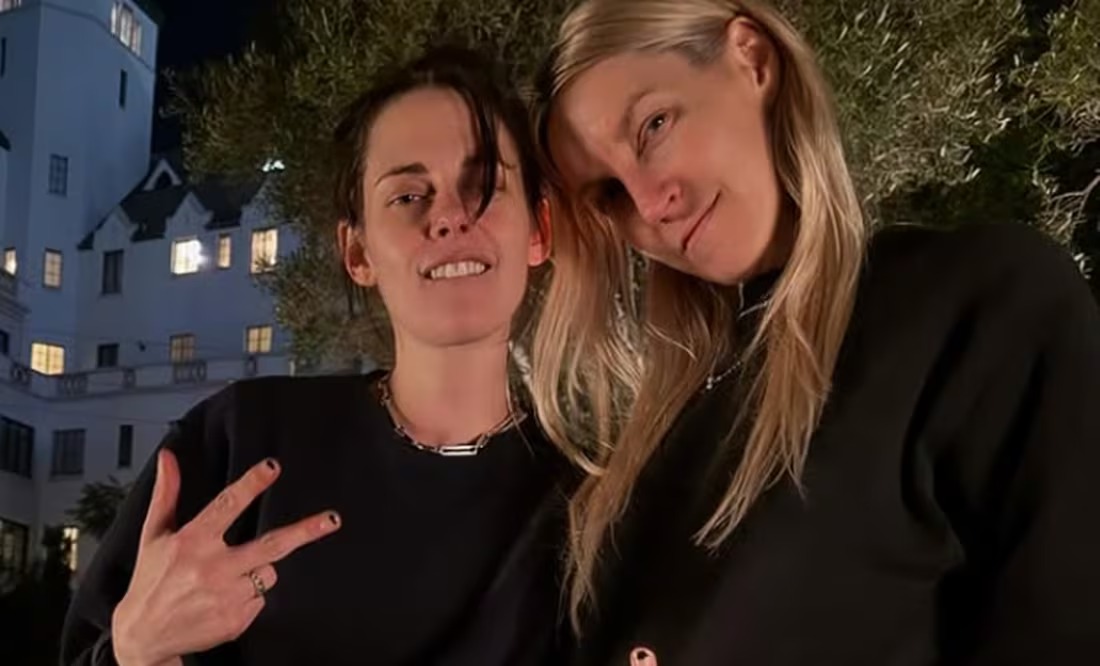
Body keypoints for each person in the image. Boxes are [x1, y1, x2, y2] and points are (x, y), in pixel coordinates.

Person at [528, 0, 1100, 664]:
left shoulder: (977, 305)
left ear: (752, 59)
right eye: (610, 194)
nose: (651, 204)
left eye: (654, 126)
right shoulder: (659, 431)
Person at [61, 46, 571, 666]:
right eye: (408, 196)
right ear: (357, 252)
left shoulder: (592, 492)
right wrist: (137, 651)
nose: (450, 217)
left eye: (484, 185)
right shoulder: (244, 443)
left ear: (539, 229)